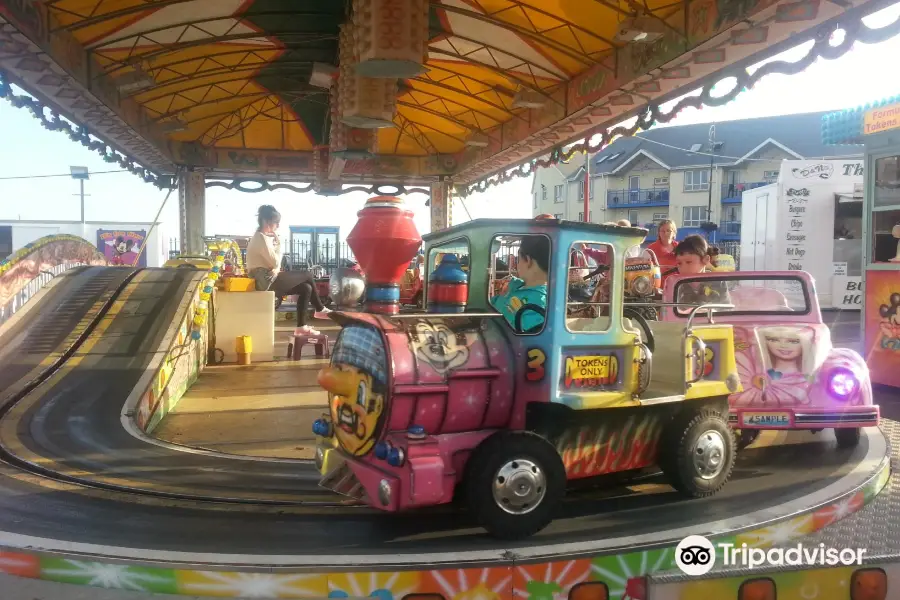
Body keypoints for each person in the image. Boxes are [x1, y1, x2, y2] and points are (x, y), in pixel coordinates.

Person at [247, 205, 331, 336]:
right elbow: (275, 262)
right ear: (267, 221)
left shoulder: (260, 238)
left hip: (266, 278)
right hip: (264, 280)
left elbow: (274, 264)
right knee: (307, 275)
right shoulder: (261, 238)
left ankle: (301, 327)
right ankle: (320, 308)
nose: (278, 226)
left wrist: (275, 268)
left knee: (306, 288)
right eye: (276, 222)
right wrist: (279, 245)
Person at [491, 236, 549, 332]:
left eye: (518, 259)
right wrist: (501, 296)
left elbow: (520, 338)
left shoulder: (539, 304)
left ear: (528, 260)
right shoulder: (515, 286)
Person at [673, 234, 730, 306]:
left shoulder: (718, 283)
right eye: (679, 263)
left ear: (706, 259)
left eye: (688, 262)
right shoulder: (675, 286)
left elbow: (727, 309)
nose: (683, 267)